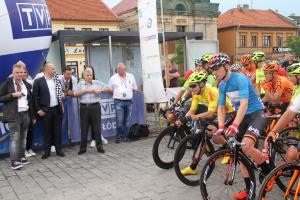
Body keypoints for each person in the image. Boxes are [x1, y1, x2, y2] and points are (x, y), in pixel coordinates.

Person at [209, 53, 269, 200]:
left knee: (246, 146)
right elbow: (221, 107)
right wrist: (222, 126)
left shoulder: (240, 78)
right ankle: (249, 190)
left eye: (217, 68)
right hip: (242, 117)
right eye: (212, 69)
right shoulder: (222, 84)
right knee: (239, 152)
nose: (214, 72)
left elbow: (244, 104)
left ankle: (269, 172)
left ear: (226, 66)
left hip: (256, 114)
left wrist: (235, 125)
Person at [175, 72, 235, 175]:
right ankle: (193, 167)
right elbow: (192, 110)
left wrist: (192, 117)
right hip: (216, 113)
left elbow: (210, 113)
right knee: (205, 137)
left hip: (229, 113)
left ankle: (229, 150)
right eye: (190, 86)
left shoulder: (212, 91)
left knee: (211, 131)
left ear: (202, 84)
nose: (191, 88)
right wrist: (184, 118)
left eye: (193, 86)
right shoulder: (195, 93)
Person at [0, 62, 35, 169]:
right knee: (15, 138)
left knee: (23, 138)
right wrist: (12, 95)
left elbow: (31, 102)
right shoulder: (7, 83)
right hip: (13, 115)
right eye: (17, 72)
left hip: (25, 114)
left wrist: (32, 116)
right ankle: (14, 161)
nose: (20, 74)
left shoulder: (27, 84)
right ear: (13, 72)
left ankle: (21, 157)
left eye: (21, 72)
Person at [265, 63, 300, 162]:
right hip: (291, 111)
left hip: (286, 106)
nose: (289, 78)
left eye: (291, 76)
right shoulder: (296, 87)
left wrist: (274, 131)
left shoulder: (281, 80)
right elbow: (292, 106)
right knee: (291, 150)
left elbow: (275, 99)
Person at [33, 62, 65, 159]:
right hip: (45, 111)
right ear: (46, 69)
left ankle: (59, 150)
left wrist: (62, 98)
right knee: (47, 131)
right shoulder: (38, 81)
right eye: (53, 69)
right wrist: (38, 110)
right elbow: (34, 97)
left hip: (57, 109)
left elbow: (60, 93)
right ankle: (47, 152)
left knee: (57, 130)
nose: (55, 71)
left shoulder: (57, 80)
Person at [74, 66, 107, 155]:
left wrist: (100, 90)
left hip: (95, 107)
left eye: (90, 75)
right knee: (84, 128)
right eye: (87, 75)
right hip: (84, 107)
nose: (89, 76)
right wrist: (85, 91)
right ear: (84, 75)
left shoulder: (97, 83)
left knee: (97, 128)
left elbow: (108, 88)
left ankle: (99, 147)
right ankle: (82, 148)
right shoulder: (80, 84)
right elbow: (75, 93)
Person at [108, 63, 137, 143]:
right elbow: (109, 90)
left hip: (129, 101)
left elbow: (134, 89)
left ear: (124, 70)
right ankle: (119, 137)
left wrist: (129, 96)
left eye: (119, 69)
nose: (118, 71)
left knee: (127, 121)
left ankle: (125, 137)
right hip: (118, 101)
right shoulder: (113, 78)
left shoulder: (131, 76)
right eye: (117, 69)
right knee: (119, 120)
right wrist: (115, 95)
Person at [18, 61, 37, 158]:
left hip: (29, 112)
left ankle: (29, 148)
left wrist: (33, 116)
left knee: (30, 132)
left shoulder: (29, 85)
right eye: (22, 73)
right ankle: (23, 151)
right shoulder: (15, 83)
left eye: (25, 73)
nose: (24, 74)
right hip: (20, 113)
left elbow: (32, 102)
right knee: (21, 134)